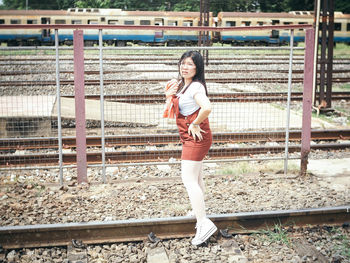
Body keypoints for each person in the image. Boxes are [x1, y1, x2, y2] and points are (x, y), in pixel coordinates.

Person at [164, 50, 217, 246]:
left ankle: (203, 223)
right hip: (193, 137)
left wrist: (194, 123)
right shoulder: (185, 85)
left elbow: (207, 107)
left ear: (197, 68)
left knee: (188, 179)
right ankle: (198, 211)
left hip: (196, 137)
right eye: (182, 63)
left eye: (190, 64)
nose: (184, 67)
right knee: (196, 178)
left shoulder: (195, 87)